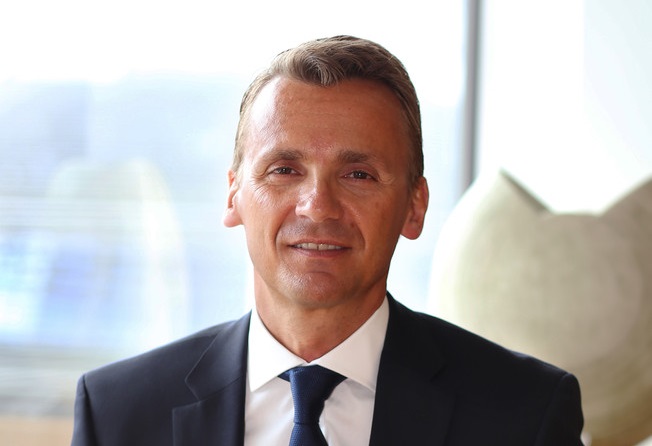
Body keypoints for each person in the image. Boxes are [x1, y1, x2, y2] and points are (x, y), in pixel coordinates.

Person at [71, 35, 584, 445]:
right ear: (233, 195)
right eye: (284, 169)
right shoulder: (117, 413)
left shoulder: (526, 414)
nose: (317, 206)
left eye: (358, 174)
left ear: (414, 205)